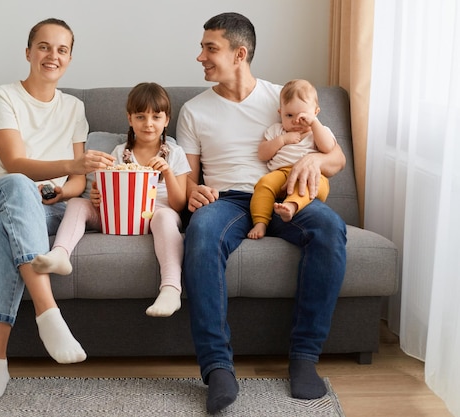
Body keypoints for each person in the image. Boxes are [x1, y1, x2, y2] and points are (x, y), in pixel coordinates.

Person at [175, 12, 347, 414]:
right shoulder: (194, 110)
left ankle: (304, 359)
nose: (200, 56)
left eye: (209, 48)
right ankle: (217, 368)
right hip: (229, 201)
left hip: (287, 193)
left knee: (330, 228)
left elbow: (335, 156)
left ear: (240, 53)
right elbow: (188, 181)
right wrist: (193, 194)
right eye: (202, 47)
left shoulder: (282, 97)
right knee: (200, 234)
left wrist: (315, 164)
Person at [0, 18, 114, 407]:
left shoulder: (75, 107)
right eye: (44, 47)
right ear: (28, 52)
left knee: (0, 230)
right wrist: (70, 168)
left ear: (70, 58)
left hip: (44, 208)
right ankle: (49, 314)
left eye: (62, 50)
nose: (52, 56)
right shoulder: (3, 96)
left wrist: (64, 188)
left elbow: (78, 182)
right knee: (16, 184)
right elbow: (13, 161)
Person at [33, 82, 191, 318]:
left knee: (165, 217)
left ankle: (170, 288)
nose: (148, 123)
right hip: (119, 216)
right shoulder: (119, 153)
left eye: (156, 117)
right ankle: (60, 254)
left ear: (166, 120)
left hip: (155, 213)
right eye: (140, 116)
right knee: (77, 203)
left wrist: (167, 172)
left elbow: (179, 204)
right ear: (130, 118)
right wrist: (97, 197)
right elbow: (105, 190)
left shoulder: (175, 153)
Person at [247, 79, 336, 239]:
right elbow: (262, 154)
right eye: (289, 115)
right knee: (263, 184)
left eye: (303, 116)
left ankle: (291, 206)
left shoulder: (318, 132)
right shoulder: (277, 131)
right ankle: (260, 222)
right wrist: (282, 140)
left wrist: (314, 124)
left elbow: (328, 148)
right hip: (281, 174)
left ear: (316, 112)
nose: (296, 120)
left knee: (310, 187)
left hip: (312, 176)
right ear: (280, 113)